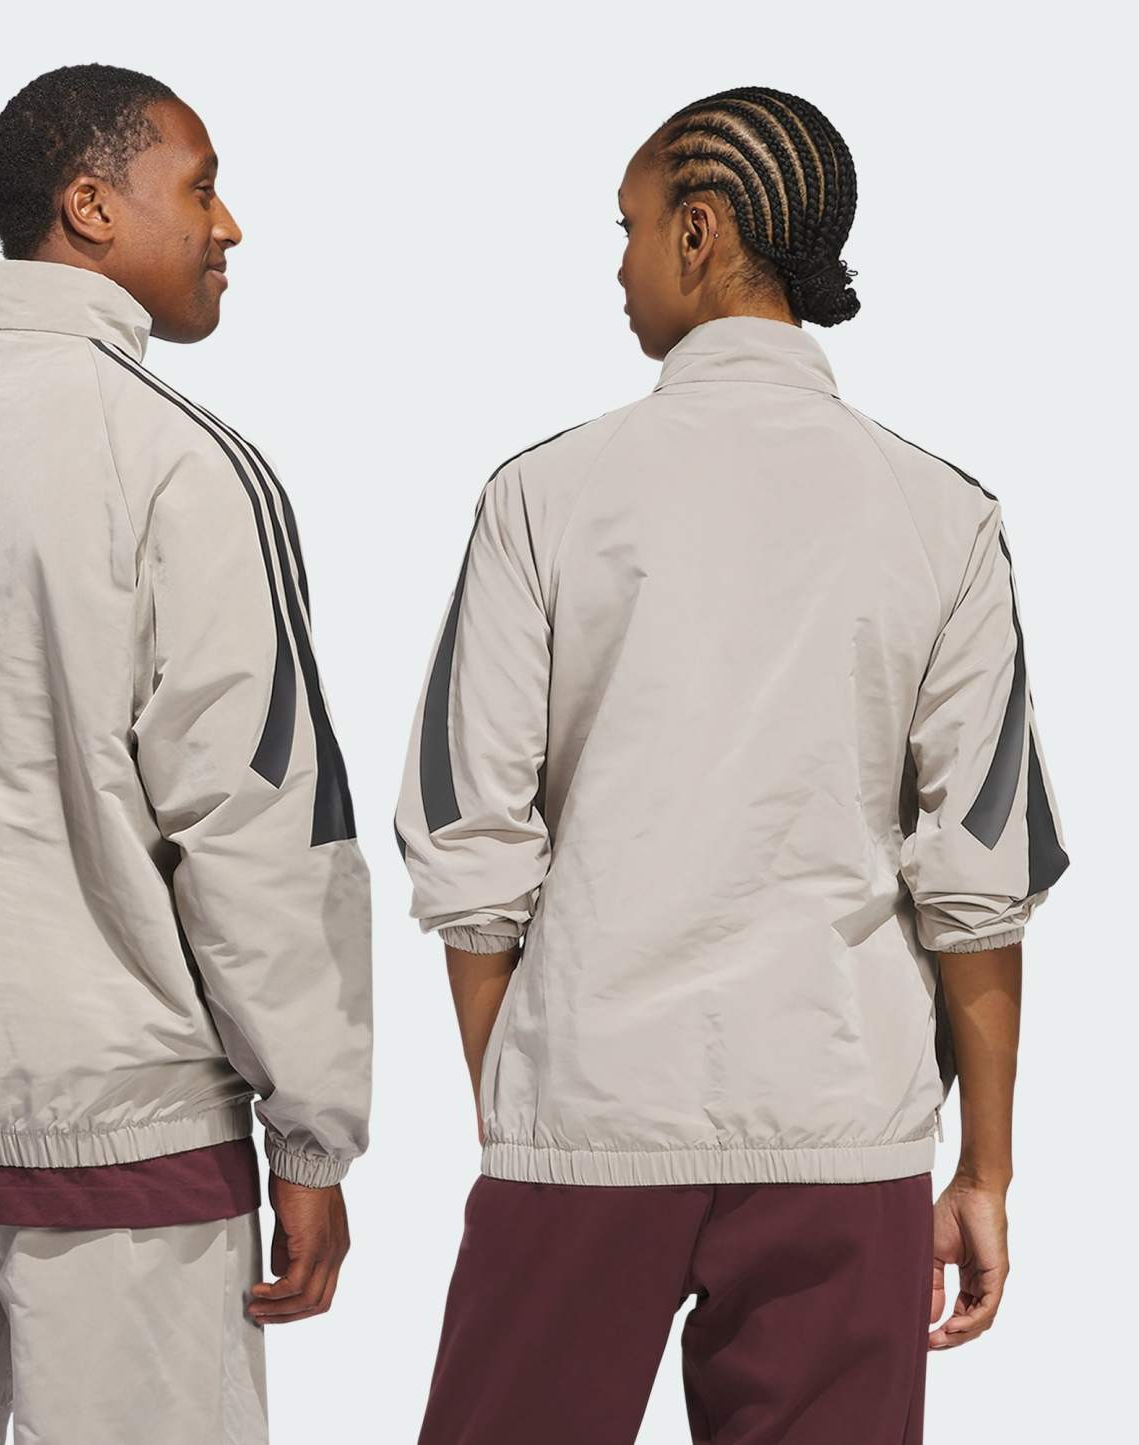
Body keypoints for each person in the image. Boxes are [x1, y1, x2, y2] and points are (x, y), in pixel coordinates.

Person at [394, 84, 1068, 1444]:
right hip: (842, 1121)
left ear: (698, 232)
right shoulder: (942, 515)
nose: (619, 263)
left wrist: (519, 1100)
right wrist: (982, 1172)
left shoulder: (542, 496)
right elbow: (980, 879)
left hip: (588, 1106)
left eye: (630, 226)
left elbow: (469, 842)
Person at [0, 63, 371, 1445]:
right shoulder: (179, 463)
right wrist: (313, 1131)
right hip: (127, 1130)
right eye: (200, 187)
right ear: (90, 207)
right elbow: (261, 824)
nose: (228, 225)